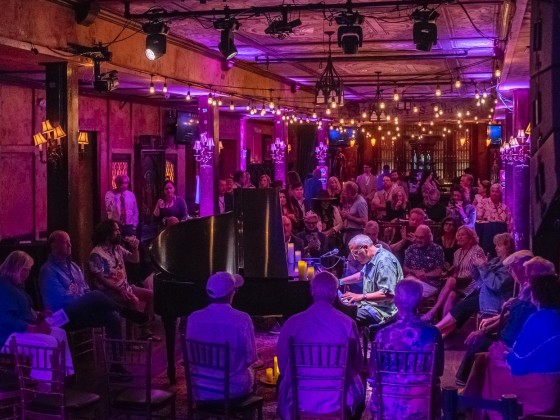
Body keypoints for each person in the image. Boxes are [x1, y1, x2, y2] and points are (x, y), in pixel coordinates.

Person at [277, 272, 365, 420]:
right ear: (335, 293)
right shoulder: (348, 324)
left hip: (299, 399)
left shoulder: (292, 322)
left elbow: (283, 364)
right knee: (361, 381)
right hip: (338, 401)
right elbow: (357, 364)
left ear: (312, 291)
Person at [454, 250, 543, 385]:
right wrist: (494, 320)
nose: (510, 272)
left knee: (478, 342)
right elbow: (510, 314)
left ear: (521, 268)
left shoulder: (532, 292)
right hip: (510, 336)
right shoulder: (525, 288)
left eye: (511, 268)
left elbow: (515, 319)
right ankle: (467, 385)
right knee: (477, 337)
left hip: (514, 343)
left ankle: (468, 389)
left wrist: (485, 330)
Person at [40, 231, 148, 341]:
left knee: (113, 316)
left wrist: (86, 301)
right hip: (60, 317)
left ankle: (117, 356)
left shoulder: (73, 266)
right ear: (53, 245)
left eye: (69, 241)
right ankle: (123, 310)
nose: (69, 245)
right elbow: (58, 302)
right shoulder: (48, 270)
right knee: (94, 295)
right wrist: (84, 300)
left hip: (81, 311)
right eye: (65, 242)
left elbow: (85, 288)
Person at [369, 279, 444, 419]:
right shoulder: (433, 333)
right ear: (421, 301)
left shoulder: (382, 335)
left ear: (396, 301)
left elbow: (374, 375)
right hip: (422, 404)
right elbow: (438, 371)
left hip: (388, 405)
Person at [0, 251, 74, 379]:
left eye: (28, 270)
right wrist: (32, 329)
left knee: (59, 334)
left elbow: (25, 310)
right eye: (25, 270)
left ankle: (64, 377)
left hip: (20, 330)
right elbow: (5, 319)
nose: (27, 274)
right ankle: (43, 386)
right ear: (16, 268)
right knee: (47, 342)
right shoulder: (3, 287)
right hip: (6, 335)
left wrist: (39, 315)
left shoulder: (16, 286)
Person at [186, 272, 257, 401]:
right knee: (252, 374)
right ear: (231, 293)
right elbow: (250, 358)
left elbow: (190, 358)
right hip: (233, 390)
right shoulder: (242, 319)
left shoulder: (193, 318)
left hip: (200, 389)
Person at [434, 232, 515, 337]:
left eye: (499, 246)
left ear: (507, 247)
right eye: (495, 245)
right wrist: (476, 266)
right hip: (483, 293)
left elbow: (496, 285)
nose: (496, 248)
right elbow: (479, 279)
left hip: (494, 299)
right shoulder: (496, 260)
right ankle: (441, 335)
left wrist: (483, 266)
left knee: (463, 306)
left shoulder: (509, 266)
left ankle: (436, 329)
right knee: (461, 310)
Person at [89, 220, 157, 340]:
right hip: (108, 293)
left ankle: (144, 331)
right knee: (133, 301)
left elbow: (134, 260)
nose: (119, 233)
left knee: (151, 295)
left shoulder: (117, 248)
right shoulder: (96, 253)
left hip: (125, 287)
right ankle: (132, 341)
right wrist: (119, 289)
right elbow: (100, 279)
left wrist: (135, 248)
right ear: (107, 233)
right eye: (116, 230)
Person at [421, 226, 486, 322]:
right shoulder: (457, 252)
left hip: (471, 282)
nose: (459, 237)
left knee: (451, 280)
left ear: (470, 237)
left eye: (462, 235)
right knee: (451, 294)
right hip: (460, 283)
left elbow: (480, 267)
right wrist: (448, 271)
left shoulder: (476, 250)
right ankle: (443, 325)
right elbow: (456, 270)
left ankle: (433, 311)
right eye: (458, 235)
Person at [340, 234, 403, 327]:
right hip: (370, 306)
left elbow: (388, 294)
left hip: (383, 312)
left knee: (345, 316)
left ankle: (352, 341)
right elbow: (361, 275)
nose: (354, 257)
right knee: (343, 311)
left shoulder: (384, 262)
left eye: (355, 253)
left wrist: (360, 297)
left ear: (365, 247)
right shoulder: (373, 257)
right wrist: (339, 281)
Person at [403, 224, 445, 298]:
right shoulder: (411, 248)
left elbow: (438, 271)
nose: (418, 240)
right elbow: (405, 268)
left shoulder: (437, 249)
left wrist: (424, 275)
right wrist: (415, 272)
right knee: (403, 289)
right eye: (417, 237)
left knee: (410, 293)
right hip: (412, 280)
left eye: (422, 238)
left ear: (429, 237)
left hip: (430, 284)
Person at [340, 181, 368, 249]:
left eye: (344, 191)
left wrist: (349, 217)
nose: (342, 193)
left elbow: (365, 221)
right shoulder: (349, 199)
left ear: (349, 193)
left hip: (356, 233)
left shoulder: (361, 202)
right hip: (348, 232)